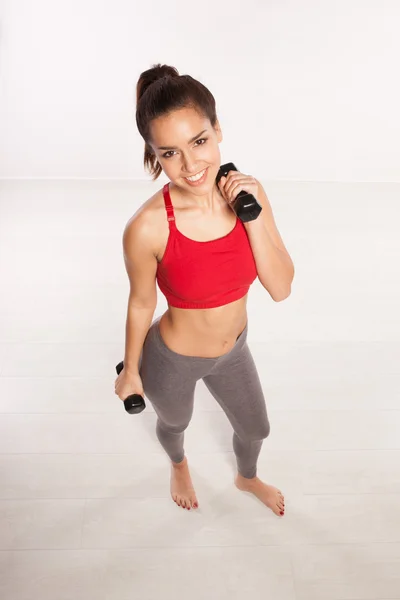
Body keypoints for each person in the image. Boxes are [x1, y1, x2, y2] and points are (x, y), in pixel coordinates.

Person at [114, 63, 294, 515]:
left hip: (234, 349)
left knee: (256, 429)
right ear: (154, 154)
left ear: (217, 130)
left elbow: (281, 287)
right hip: (173, 357)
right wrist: (131, 369)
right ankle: (178, 464)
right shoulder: (147, 228)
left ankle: (246, 477)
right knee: (174, 423)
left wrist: (250, 218)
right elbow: (141, 303)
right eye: (170, 153)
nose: (192, 166)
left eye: (199, 142)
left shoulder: (249, 195)